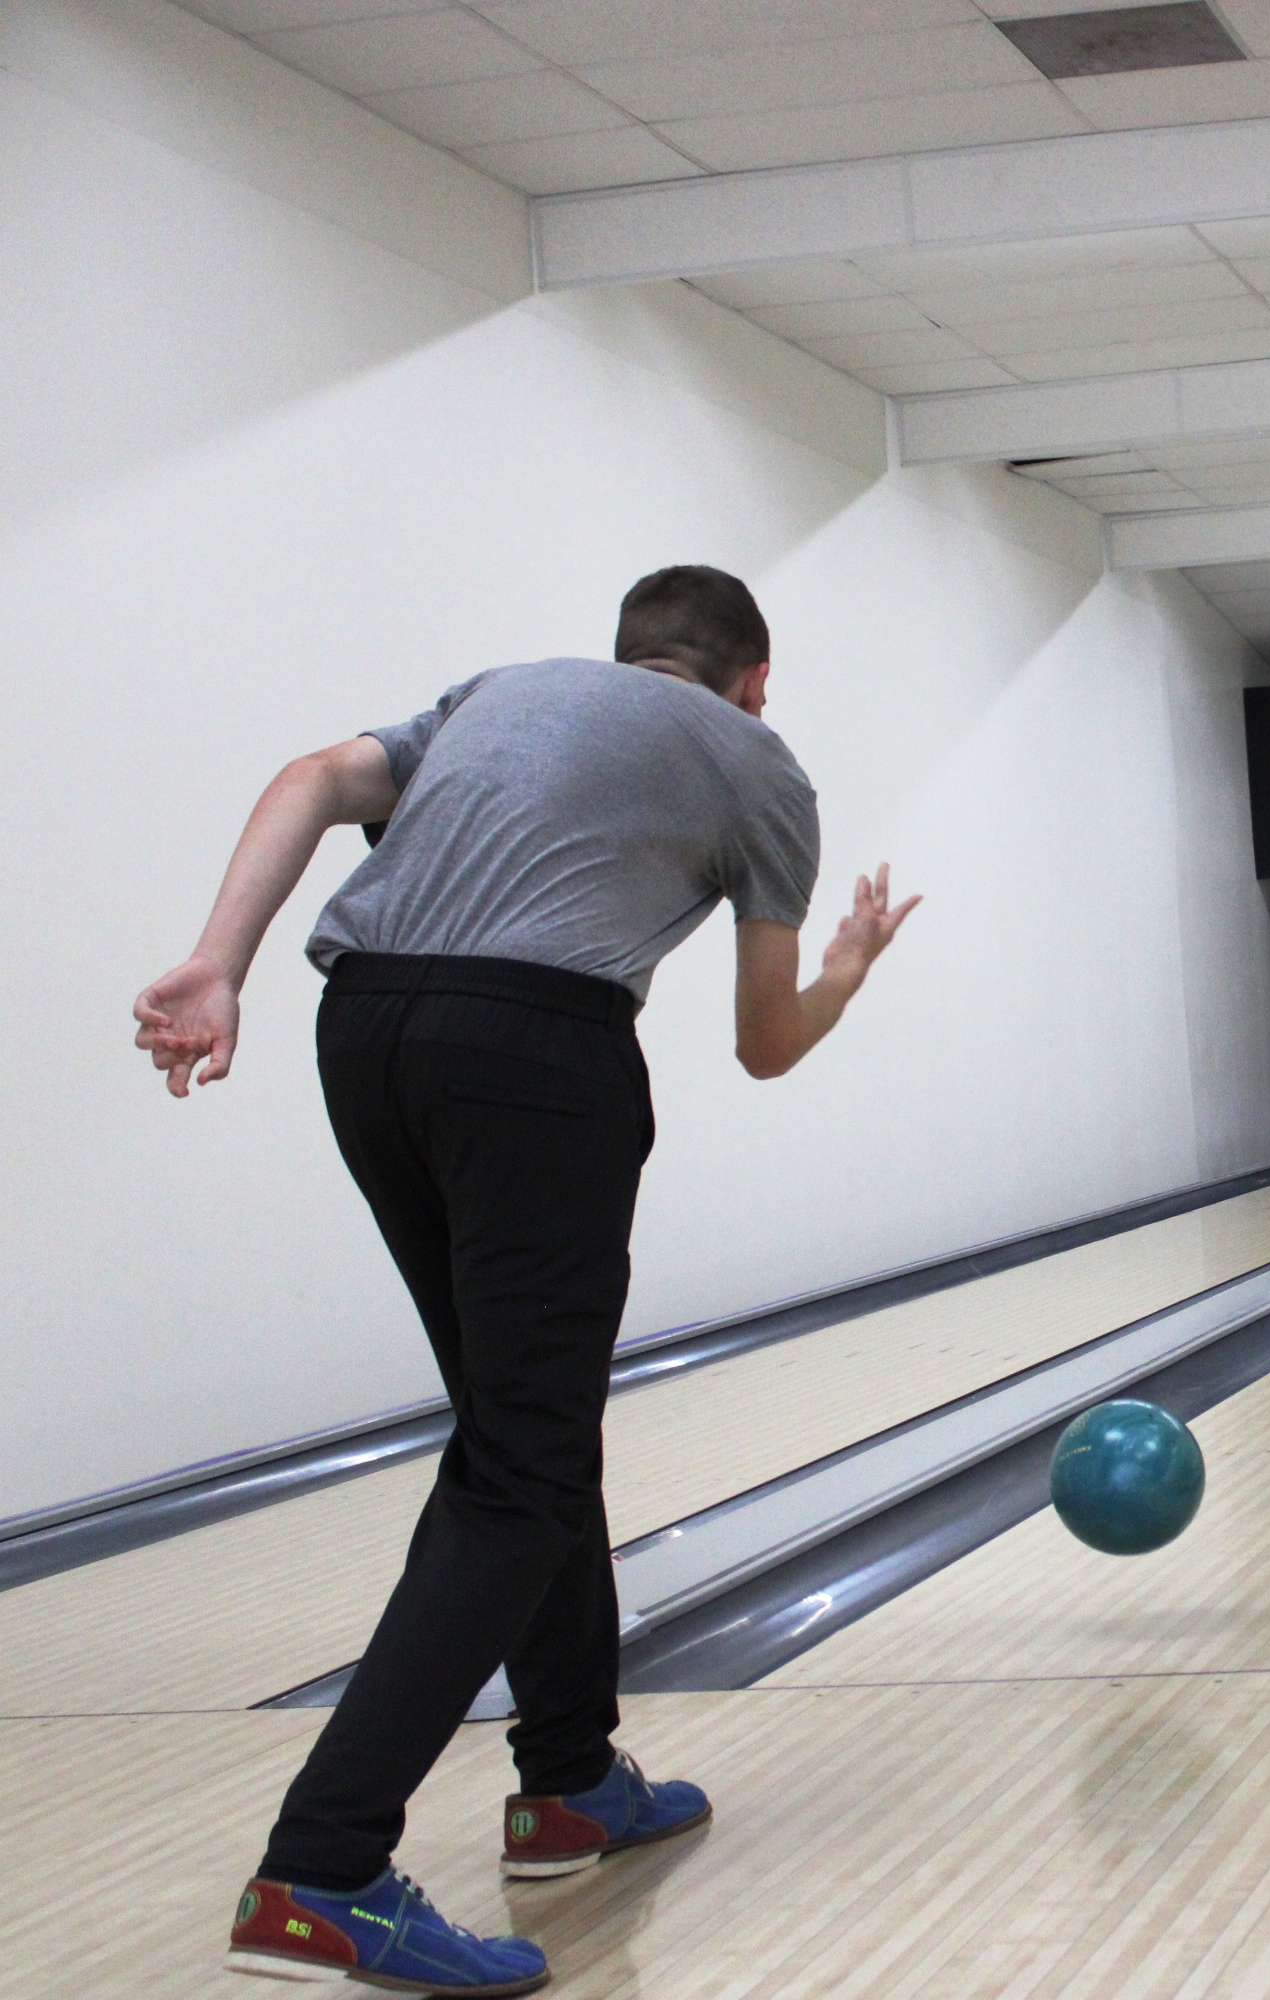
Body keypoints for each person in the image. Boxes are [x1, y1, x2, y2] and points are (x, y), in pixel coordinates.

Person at [134, 566, 918, 1995]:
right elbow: (763, 1041)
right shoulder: (761, 765)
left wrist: (214, 960)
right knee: (524, 1464)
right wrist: (850, 965)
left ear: (631, 656)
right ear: (754, 682)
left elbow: (316, 776)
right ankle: (323, 1870)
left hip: (362, 1031)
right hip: (538, 1056)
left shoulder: (502, 691)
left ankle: (567, 1780)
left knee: (524, 1430)